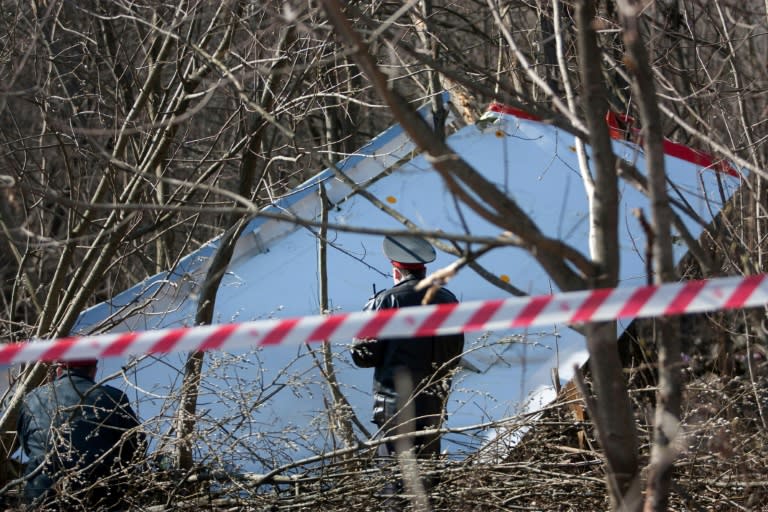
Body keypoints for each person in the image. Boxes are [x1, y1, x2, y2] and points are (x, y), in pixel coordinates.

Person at [351, 235, 465, 464]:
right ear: (424, 271)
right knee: (427, 469)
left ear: (396, 272)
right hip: (433, 402)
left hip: (394, 406)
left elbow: (362, 357)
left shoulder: (383, 302)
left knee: (395, 474)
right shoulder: (448, 300)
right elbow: (455, 354)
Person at [17, 359, 146, 510]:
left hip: (41, 493)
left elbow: (26, 445)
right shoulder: (113, 397)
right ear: (93, 371)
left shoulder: (32, 399)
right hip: (98, 496)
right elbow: (136, 446)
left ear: (59, 370)